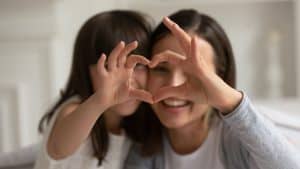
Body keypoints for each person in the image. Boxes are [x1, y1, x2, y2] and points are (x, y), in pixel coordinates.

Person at [123, 9, 300, 169]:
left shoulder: (239, 139)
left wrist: (231, 102)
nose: (174, 84)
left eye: (193, 72)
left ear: (219, 80)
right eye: (161, 69)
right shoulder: (140, 147)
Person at [34, 10, 153, 169]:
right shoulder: (73, 110)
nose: (127, 79)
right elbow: (59, 148)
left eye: (138, 65)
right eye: (110, 66)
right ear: (85, 70)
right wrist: (101, 99)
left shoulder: (131, 127)